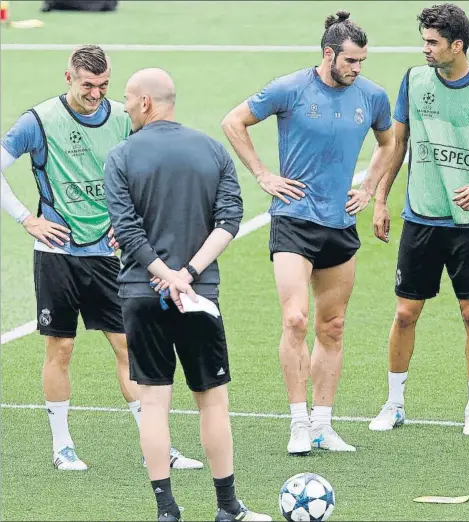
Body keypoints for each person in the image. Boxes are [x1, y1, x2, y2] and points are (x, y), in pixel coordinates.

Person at [0, 45, 202, 471]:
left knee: (128, 345)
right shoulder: (38, 122)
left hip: (108, 254)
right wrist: (26, 219)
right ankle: (62, 447)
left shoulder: (121, 119)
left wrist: (127, 219)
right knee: (62, 347)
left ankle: (158, 445)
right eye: (87, 85)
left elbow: (142, 172)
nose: (96, 94)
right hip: (57, 251)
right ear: (68, 78)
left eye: (104, 85)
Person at [222, 11, 395, 455]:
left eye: (362, 61)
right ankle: (298, 423)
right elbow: (233, 122)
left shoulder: (372, 97)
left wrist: (370, 186)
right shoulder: (290, 88)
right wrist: (263, 174)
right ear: (328, 53)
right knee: (296, 319)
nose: (357, 69)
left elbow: (389, 142)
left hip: (339, 225)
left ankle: (323, 424)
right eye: (351, 60)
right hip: (294, 220)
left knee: (333, 326)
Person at [104, 67, 271, 522]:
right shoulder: (212, 150)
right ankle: (227, 508)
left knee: (154, 403)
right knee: (212, 401)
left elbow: (126, 230)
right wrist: (189, 273)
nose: (123, 106)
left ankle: (166, 511)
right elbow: (230, 218)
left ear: (144, 103)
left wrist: (163, 273)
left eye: (125, 98)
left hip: (141, 293)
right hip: (199, 296)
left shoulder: (120, 156)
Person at [369, 3, 469, 436]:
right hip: (421, 215)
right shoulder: (415, 80)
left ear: (457, 45)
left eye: (433, 43)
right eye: (424, 41)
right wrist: (381, 200)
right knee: (404, 313)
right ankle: (395, 403)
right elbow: (396, 146)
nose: (425, 49)